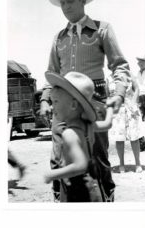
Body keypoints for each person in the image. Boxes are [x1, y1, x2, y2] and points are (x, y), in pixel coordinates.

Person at [40, 0, 131, 202]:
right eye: (62, 3)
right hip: (63, 106)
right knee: (59, 155)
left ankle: (105, 202)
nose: (66, 7)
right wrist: (44, 99)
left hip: (95, 101)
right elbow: (52, 71)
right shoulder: (58, 38)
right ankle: (62, 201)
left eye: (70, 1)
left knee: (97, 157)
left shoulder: (102, 29)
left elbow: (120, 66)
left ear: (83, 1)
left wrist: (118, 93)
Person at [43, 71, 113, 202]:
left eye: (56, 102)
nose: (53, 107)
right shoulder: (88, 126)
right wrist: (109, 108)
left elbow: (80, 165)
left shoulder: (69, 133)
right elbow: (107, 124)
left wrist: (53, 174)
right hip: (93, 185)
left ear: (73, 105)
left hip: (77, 190)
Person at [108, 74, 143, 173]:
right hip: (117, 111)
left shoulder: (130, 75)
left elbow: (137, 89)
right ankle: (121, 164)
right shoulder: (109, 78)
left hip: (130, 109)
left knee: (134, 138)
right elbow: (107, 95)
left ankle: (138, 163)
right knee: (119, 138)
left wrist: (133, 102)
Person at [136, 55, 145, 151]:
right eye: (138, 61)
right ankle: (142, 145)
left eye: (140, 61)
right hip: (140, 98)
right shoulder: (137, 74)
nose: (138, 63)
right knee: (140, 121)